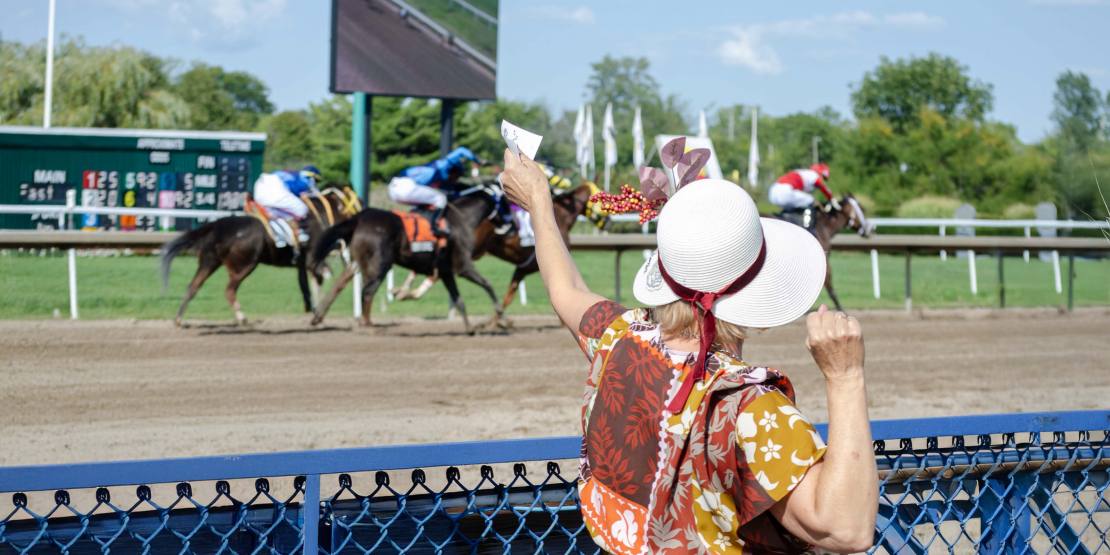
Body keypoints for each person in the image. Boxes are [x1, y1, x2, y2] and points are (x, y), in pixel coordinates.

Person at [500, 149, 877, 554]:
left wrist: (538, 200)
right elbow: (846, 530)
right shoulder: (749, 407)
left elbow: (565, 290)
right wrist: (845, 377)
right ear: (758, 301)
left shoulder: (620, 338)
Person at [388, 147, 479, 233]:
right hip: (406, 186)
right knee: (440, 198)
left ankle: (418, 220)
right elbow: (461, 150)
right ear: (453, 171)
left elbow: (451, 192)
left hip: (393, 189)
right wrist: (477, 160)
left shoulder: (438, 175)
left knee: (427, 200)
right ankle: (434, 227)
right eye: (457, 176)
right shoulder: (441, 167)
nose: (456, 179)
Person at [251, 165, 323, 248]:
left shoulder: (292, 174)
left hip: (260, 188)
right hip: (274, 187)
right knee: (302, 209)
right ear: (311, 177)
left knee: (278, 215)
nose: (315, 183)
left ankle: (279, 237)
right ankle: (302, 232)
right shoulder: (302, 178)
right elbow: (307, 191)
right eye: (316, 180)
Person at [768, 163, 834, 212]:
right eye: (823, 177)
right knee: (811, 200)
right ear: (820, 173)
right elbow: (823, 187)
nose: (823, 179)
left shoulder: (803, 172)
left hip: (773, 192)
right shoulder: (813, 175)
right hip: (785, 192)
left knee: (791, 210)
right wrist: (831, 198)